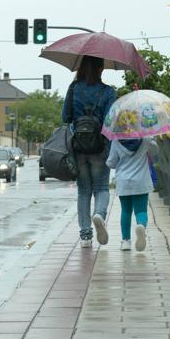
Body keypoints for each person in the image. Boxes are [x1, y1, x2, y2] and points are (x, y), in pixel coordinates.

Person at [61, 56, 117, 248]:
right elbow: (111, 121)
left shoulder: (74, 88)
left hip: (78, 148)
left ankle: (85, 236)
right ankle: (99, 215)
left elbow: (65, 116)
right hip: (100, 146)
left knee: (83, 191)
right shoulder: (108, 92)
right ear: (101, 68)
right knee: (101, 188)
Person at [106, 137, 158, 251]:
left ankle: (126, 241)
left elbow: (111, 163)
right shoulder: (145, 140)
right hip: (141, 181)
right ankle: (141, 226)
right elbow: (155, 152)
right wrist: (150, 138)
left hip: (124, 182)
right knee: (141, 211)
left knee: (125, 211)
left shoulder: (116, 140)